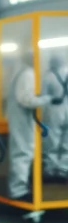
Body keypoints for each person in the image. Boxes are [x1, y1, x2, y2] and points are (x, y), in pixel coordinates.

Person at [6, 51, 55, 200]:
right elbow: (26, 100)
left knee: (21, 152)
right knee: (23, 153)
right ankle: (18, 191)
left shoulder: (20, 72)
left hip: (19, 118)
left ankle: (19, 187)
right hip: (22, 119)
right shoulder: (28, 74)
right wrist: (47, 99)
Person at [43, 54, 68, 182]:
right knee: (66, 141)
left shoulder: (48, 76)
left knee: (52, 141)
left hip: (54, 109)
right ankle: (64, 169)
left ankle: (51, 169)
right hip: (67, 107)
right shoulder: (67, 72)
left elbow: (43, 95)